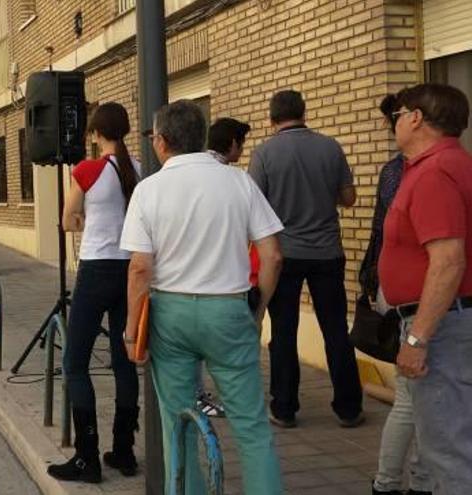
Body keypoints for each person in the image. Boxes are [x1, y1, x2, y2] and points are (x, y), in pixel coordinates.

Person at [122, 101, 285, 493]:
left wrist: (131, 331)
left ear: (161, 141)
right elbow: (273, 255)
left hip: (170, 314)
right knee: (250, 425)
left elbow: (140, 268)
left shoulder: (149, 190)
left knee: (178, 422)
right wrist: (258, 308)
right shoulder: (238, 181)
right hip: (228, 310)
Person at [249, 89, 364, 429]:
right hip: (328, 252)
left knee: (284, 332)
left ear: (272, 120)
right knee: (335, 331)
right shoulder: (331, 147)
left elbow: (254, 206)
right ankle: (349, 408)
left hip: (283, 255)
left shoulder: (264, 153)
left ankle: (284, 408)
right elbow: (348, 198)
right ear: (304, 112)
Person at [380, 83, 472, 495]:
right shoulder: (450, 164)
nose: (393, 123)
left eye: (397, 115)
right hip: (451, 320)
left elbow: (448, 260)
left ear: (415, 117)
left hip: (441, 325)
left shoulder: (435, 172)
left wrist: (417, 337)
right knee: (443, 443)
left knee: (448, 452)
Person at [46, 102, 141, 484]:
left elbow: (66, 220)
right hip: (129, 267)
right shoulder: (138, 168)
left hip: (97, 267)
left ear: (96, 134)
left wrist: (86, 220)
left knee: (75, 363)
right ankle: (123, 451)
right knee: (123, 362)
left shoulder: (86, 169)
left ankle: (87, 458)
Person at [366, 94, 432, 495]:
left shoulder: (398, 172)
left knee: (418, 399)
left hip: (403, 291)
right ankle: (393, 483)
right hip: (416, 296)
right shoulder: (405, 174)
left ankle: (406, 482)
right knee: (413, 400)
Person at [193, 117, 253, 418]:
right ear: (232, 144)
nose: (241, 151)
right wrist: (261, 301)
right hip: (224, 289)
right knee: (229, 359)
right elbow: (272, 254)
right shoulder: (237, 181)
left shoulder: (183, 177)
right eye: (241, 144)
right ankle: (225, 401)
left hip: (181, 290)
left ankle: (197, 398)